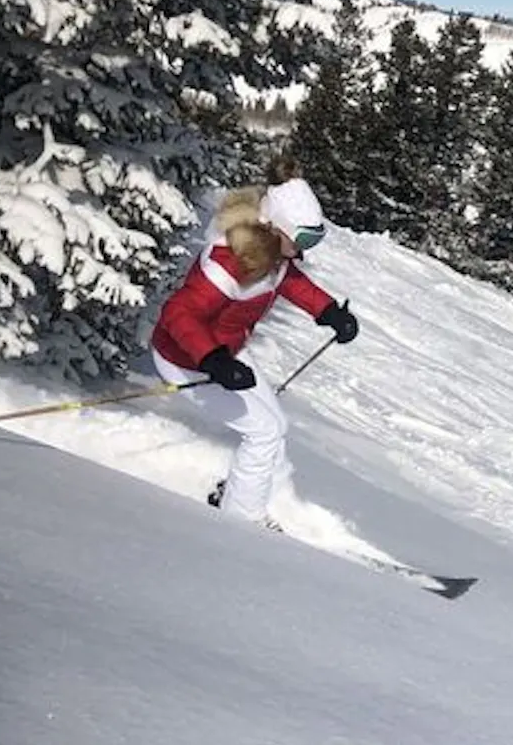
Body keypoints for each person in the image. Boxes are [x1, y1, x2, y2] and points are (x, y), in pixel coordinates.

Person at [148, 163, 360, 526]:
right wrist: (213, 360)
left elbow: (289, 281)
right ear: (276, 228)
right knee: (263, 431)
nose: (304, 250)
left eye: (313, 240)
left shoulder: (271, 254)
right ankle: (241, 521)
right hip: (187, 358)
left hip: (225, 351)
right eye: (304, 240)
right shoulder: (229, 262)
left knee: (274, 424)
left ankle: (239, 493)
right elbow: (178, 313)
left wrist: (327, 311)